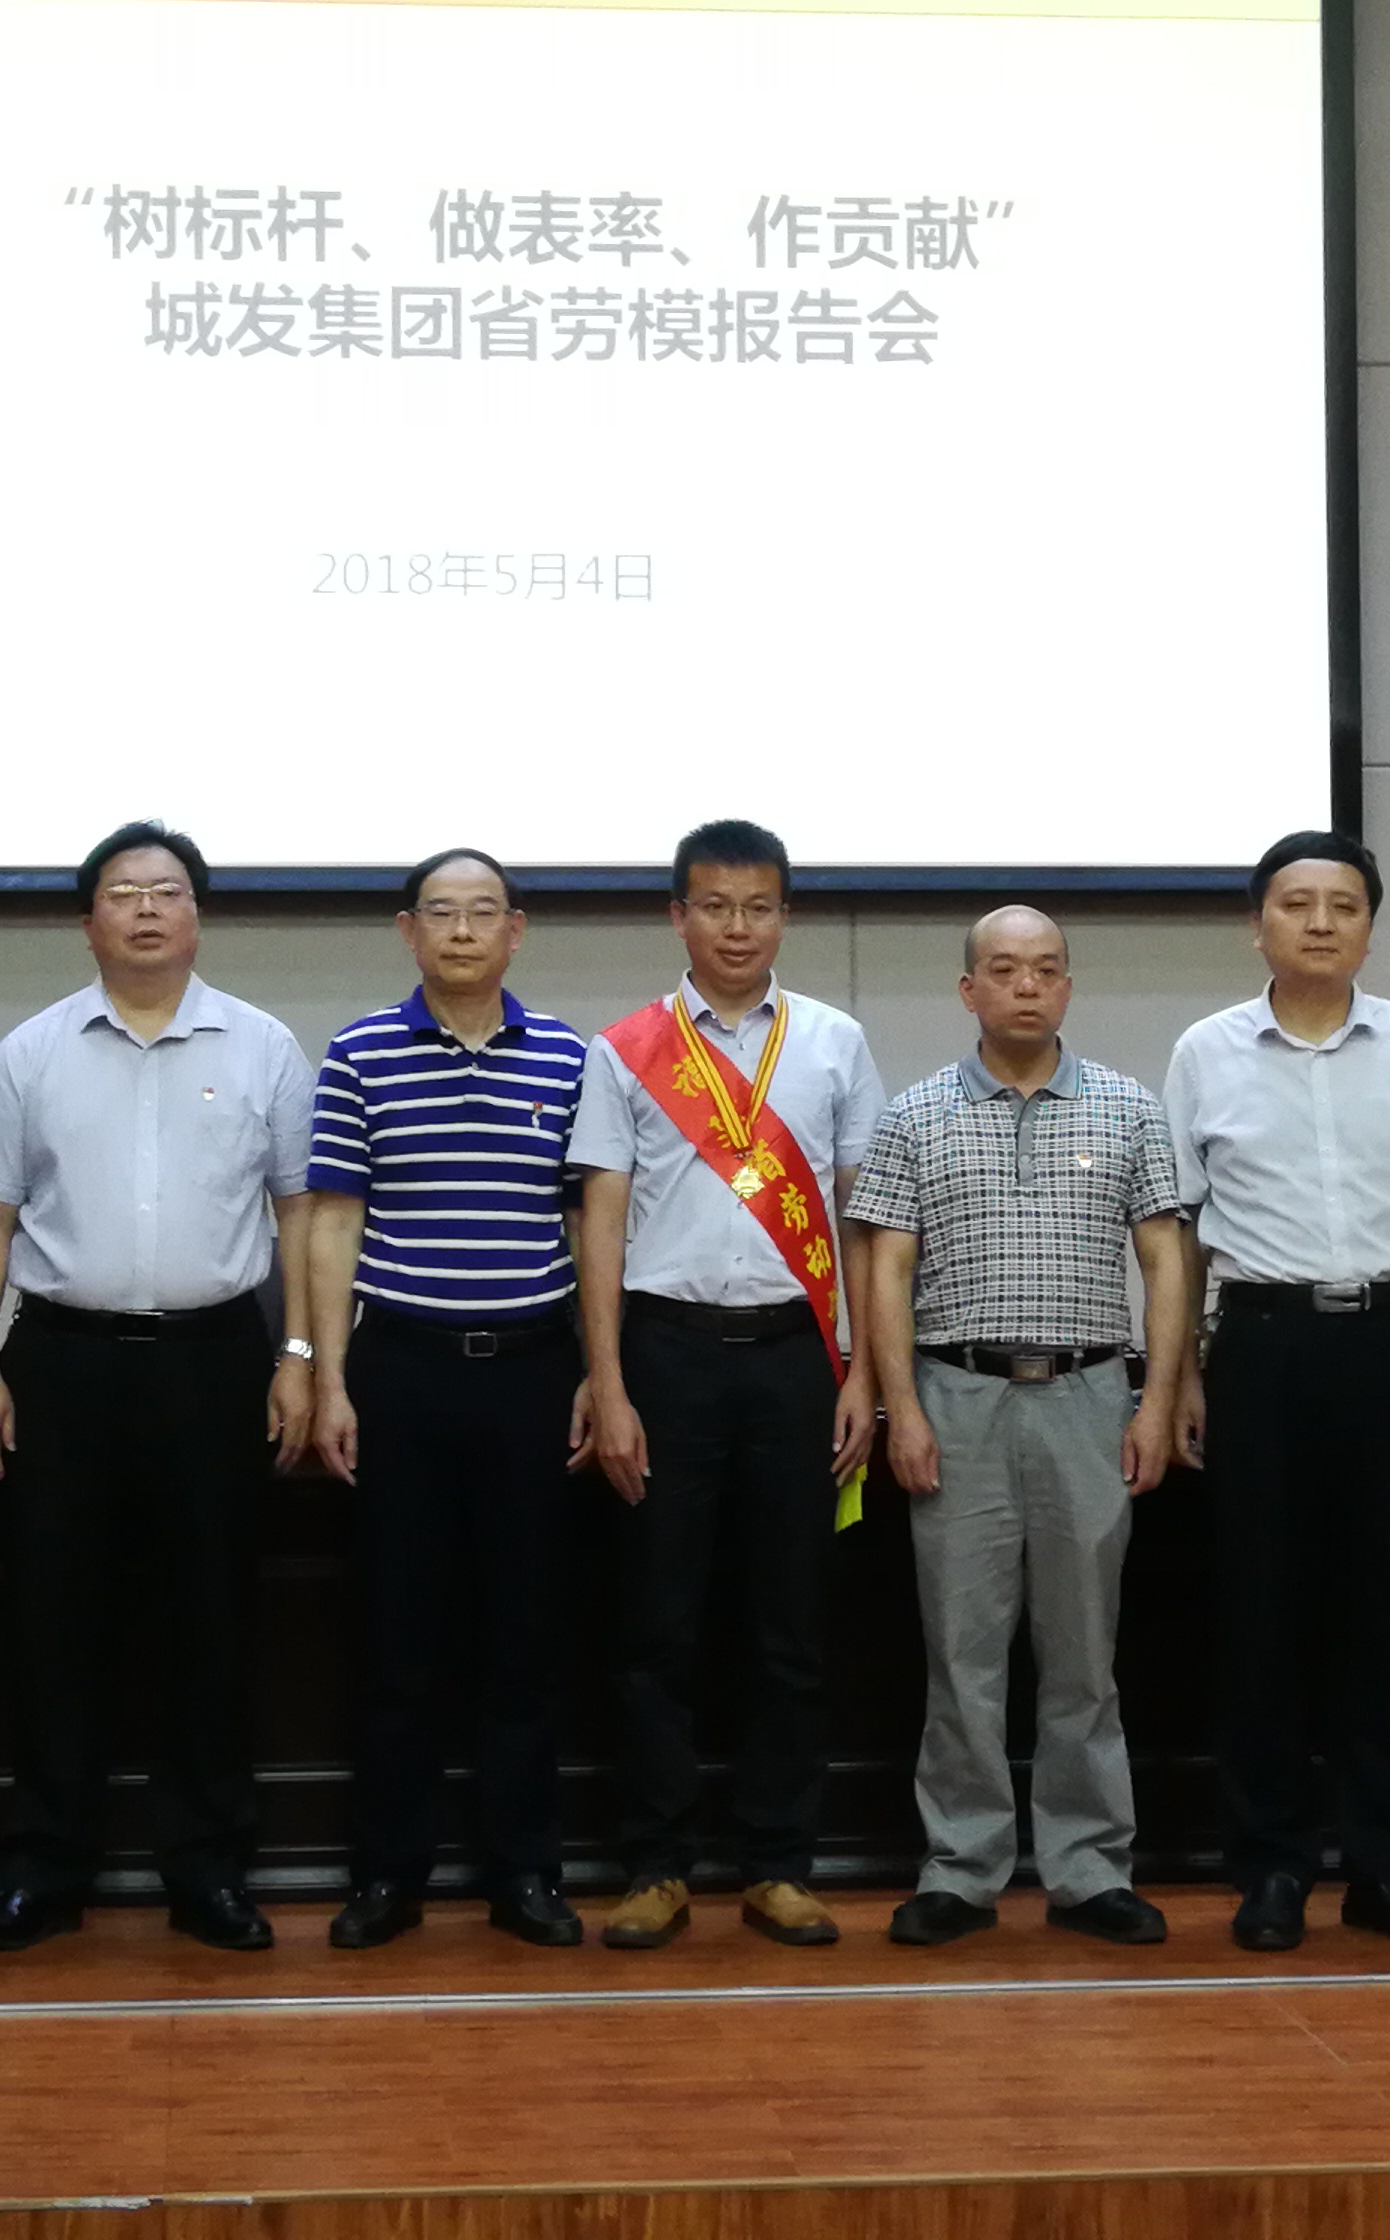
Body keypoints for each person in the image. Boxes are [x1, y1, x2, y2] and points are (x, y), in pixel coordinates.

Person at [0, 822, 320, 1954]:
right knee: (51, 1622)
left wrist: (299, 1356)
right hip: (61, 1365)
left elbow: (301, 1212)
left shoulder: (261, 1047)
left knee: (210, 1622)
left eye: (167, 892)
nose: (147, 910)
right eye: (124, 893)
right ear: (88, 921)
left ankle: (208, 1871)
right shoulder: (31, 1052)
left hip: (215, 1363)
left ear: (197, 915)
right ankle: (42, 1870)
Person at [1163, 830, 1390, 1954]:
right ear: (1256, 924)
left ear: (1368, 926)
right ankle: (1270, 1869)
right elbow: (1179, 1238)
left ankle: (1382, 1868)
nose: (1320, 923)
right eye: (1296, 904)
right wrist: (1180, 1377)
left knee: (1389, 1619)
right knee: (1261, 1619)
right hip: (1261, 1352)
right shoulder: (1205, 1052)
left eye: (1343, 906)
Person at [572, 818, 883, 1950]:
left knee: (787, 1626)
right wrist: (607, 1382)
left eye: (757, 907)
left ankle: (777, 1866)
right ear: (679, 916)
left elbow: (862, 1223)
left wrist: (860, 1371)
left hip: (796, 1358)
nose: (736, 928)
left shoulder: (834, 1041)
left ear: (783, 916)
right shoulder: (625, 1050)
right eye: (714, 906)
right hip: (666, 1354)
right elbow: (600, 1223)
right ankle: (655, 1866)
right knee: (655, 1623)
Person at [858, 907, 1190, 1949]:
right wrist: (902, 1408)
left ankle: (1089, 1870)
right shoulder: (914, 1115)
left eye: (1046, 969)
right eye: (1003, 971)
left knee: (1083, 1655)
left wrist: (1157, 1400)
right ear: (969, 991)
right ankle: (960, 1870)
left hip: (1088, 1397)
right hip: (956, 1397)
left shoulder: (1127, 1108)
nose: (1027, 986)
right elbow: (886, 1272)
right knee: (962, 1654)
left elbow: (1165, 1259)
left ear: (1068, 986)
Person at [307, 847, 593, 1952]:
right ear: (407, 930)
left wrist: (596, 1372)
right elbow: (334, 1220)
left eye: (483, 913)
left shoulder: (568, 1056)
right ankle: (388, 1874)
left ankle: (525, 1873)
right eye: (442, 912)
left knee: (525, 1638)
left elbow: (586, 1223)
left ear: (516, 931)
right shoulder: (358, 1053)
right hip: (401, 1371)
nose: (462, 931)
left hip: (532, 1371)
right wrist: (329, 1376)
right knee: (398, 1639)